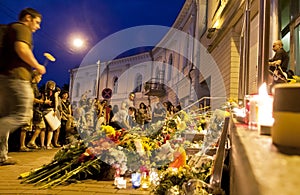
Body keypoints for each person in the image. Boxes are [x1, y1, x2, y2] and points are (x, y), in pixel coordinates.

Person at [0, 8, 46, 165]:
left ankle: (1, 155)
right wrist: (38, 66)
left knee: (5, 117)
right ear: (28, 18)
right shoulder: (22, 28)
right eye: (37, 22)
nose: (38, 27)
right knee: (23, 115)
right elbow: (22, 48)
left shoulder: (9, 30)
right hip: (16, 78)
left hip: (4, 78)